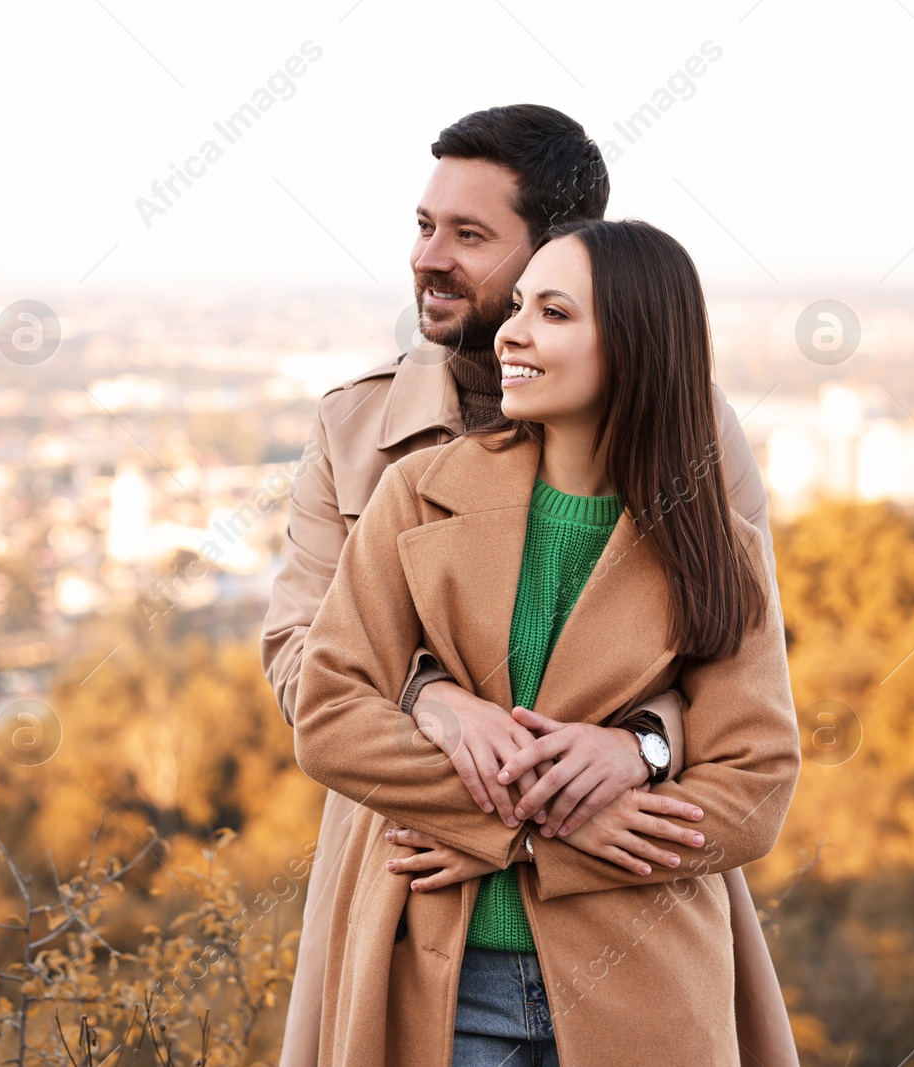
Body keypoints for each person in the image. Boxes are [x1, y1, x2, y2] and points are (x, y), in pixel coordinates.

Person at [261, 105, 798, 1066]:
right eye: (425, 227)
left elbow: (732, 668)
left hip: (634, 917)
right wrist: (439, 705)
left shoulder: (693, 437)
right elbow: (308, 667)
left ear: (569, 252)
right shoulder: (363, 437)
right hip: (416, 879)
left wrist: (637, 746)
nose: (430, 258)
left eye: (469, 236)